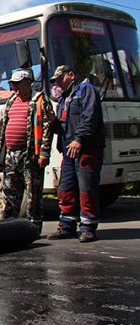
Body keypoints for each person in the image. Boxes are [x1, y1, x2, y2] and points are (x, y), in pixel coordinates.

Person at [45, 65, 105, 243]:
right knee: (66, 188)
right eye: (55, 81)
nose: (58, 84)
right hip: (68, 151)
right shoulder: (63, 99)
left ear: (71, 75)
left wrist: (79, 139)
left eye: (60, 79)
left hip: (86, 148)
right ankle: (67, 225)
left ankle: (88, 228)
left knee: (87, 188)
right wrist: (53, 121)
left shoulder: (86, 90)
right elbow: (62, 128)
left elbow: (90, 117)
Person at [0, 69, 54, 234]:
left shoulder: (40, 100)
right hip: (10, 154)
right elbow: (3, 126)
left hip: (30, 155)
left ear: (28, 83)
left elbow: (48, 127)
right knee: (9, 192)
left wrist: (44, 152)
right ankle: (7, 228)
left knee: (33, 195)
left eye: (18, 84)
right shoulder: (12, 100)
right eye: (13, 84)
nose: (15, 87)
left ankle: (33, 228)